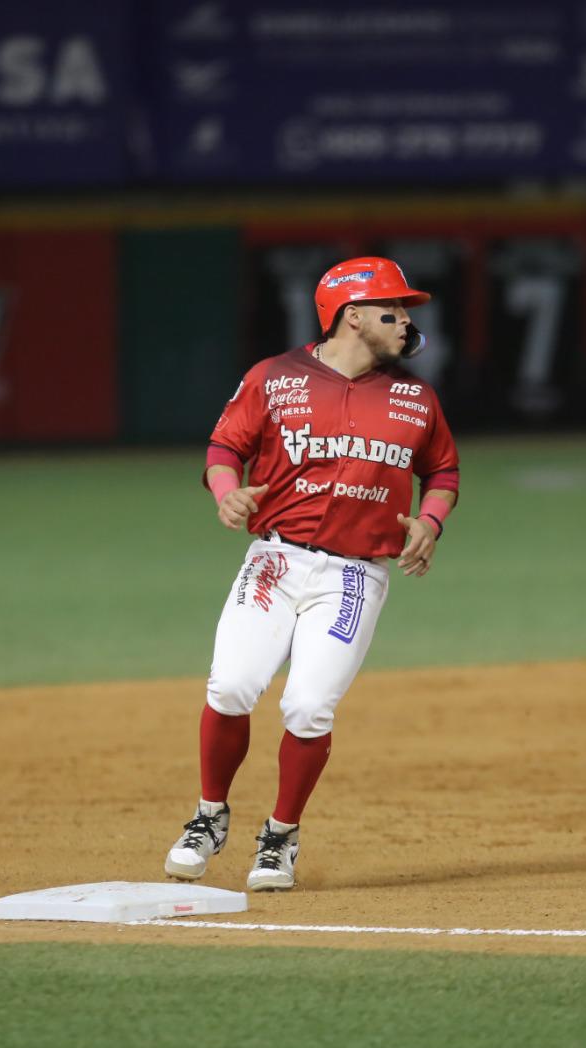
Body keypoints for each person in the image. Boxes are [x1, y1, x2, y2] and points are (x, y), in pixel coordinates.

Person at [163, 257, 460, 892]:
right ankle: (209, 816)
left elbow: (442, 471)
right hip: (275, 560)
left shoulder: (416, 398)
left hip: (354, 576)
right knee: (232, 685)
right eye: (391, 310)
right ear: (352, 316)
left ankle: (280, 836)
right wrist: (227, 493)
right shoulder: (274, 378)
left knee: (307, 705)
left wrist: (430, 522)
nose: (405, 321)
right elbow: (225, 447)